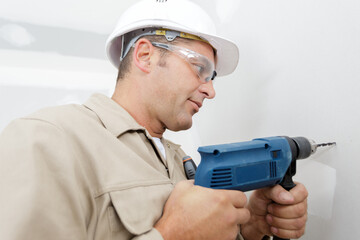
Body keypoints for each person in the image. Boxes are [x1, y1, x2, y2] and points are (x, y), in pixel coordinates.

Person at [0, 0, 308, 239]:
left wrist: (251, 228)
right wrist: (170, 237)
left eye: (212, 76)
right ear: (145, 56)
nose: (211, 90)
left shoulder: (180, 161)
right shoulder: (48, 139)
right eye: (199, 68)